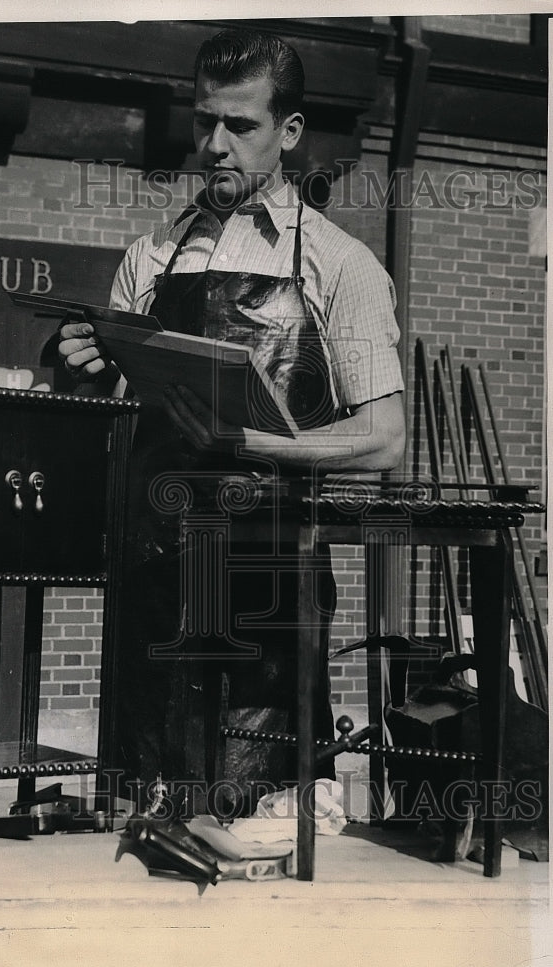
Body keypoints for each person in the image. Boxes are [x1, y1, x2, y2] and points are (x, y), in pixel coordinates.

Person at [59, 28, 405, 809]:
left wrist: (254, 442)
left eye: (240, 126)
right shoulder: (150, 257)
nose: (215, 145)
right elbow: (116, 421)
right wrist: (85, 374)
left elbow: (385, 437)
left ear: (288, 133)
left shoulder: (341, 265)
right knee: (139, 812)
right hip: (153, 571)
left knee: (252, 815)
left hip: (266, 580)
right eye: (203, 121)